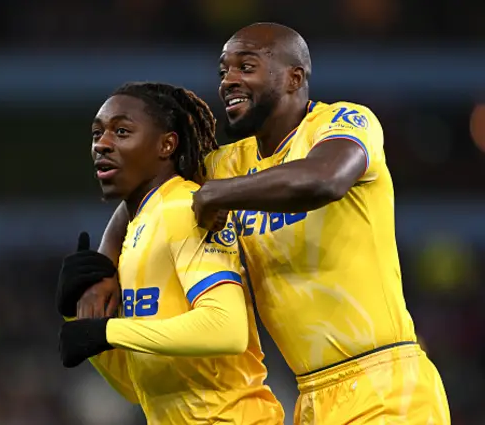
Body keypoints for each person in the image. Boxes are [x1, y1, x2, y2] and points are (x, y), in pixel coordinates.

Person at [72, 23, 451, 424]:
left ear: (295, 77)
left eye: (245, 67)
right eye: (223, 71)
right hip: (311, 398)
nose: (229, 81)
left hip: (386, 383)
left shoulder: (342, 123)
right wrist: (103, 269)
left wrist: (217, 194)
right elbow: (148, 197)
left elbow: (326, 179)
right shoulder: (228, 164)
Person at [55, 82, 284, 425]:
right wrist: (80, 319)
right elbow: (140, 386)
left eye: (121, 131)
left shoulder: (184, 209)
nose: (102, 144)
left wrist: (106, 333)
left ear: (167, 144)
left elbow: (227, 329)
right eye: (97, 134)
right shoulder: (136, 231)